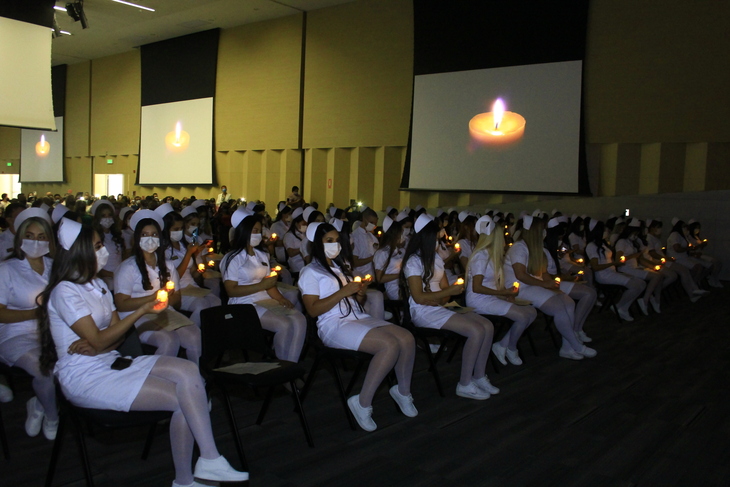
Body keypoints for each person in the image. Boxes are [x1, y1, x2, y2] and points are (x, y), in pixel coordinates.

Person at [38, 218, 248, 487]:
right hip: (85, 377)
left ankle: (207, 461)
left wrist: (101, 342)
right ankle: (189, 477)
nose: (103, 251)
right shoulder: (65, 291)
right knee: (186, 400)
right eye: (97, 246)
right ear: (80, 252)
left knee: (187, 371)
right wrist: (136, 314)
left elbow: (114, 337)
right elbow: (105, 338)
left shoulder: (98, 285)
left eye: (102, 244)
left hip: (110, 361)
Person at [299, 222, 416, 431]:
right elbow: (313, 310)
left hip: (356, 317)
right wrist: (344, 292)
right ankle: (362, 403)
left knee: (406, 337)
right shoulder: (310, 272)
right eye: (329, 241)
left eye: (337, 241)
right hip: (333, 325)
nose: (335, 245)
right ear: (317, 243)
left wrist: (360, 292)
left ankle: (403, 391)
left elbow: (356, 302)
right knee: (388, 346)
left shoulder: (339, 267)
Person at [402, 214, 498, 399]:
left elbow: (445, 288)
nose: (441, 240)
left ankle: (478, 375)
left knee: (487, 325)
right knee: (475, 331)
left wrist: (441, 298)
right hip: (424, 311)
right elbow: (419, 297)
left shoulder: (435, 258)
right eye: (438, 237)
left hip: (441, 304)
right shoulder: (413, 262)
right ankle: (464, 383)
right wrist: (442, 296)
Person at [114, 210, 202, 364]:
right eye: (145, 235)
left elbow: (177, 297)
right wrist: (154, 298)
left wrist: (165, 301)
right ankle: (158, 378)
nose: (150, 239)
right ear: (137, 238)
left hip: (165, 313)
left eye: (154, 235)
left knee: (194, 334)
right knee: (168, 340)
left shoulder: (167, 265)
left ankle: (195, 373)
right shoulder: (127, 267)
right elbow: (121, 304)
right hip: (137, 316)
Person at [0, 208, 58, 439]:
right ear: (20, 238)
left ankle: (39, 404)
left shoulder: (55, 267)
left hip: (51, 334)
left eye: (42, 237)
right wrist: (35, 313)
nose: (36, 242)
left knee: (70, 365)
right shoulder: (7, 269)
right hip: (15, 335)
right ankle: (53, 417)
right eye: (30, 236)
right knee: (44, 370)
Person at [221, 207, 306, 363]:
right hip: (243, 304)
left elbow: (270, 284)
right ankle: (281, 366)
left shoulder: (262, 255)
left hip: (265, 300)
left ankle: (290, 364)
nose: (258, 235)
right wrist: (262, 286)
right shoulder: (232, 258)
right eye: (254, 231)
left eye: (259, 231)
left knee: (300, 319)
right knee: (284, 325)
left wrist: (281, 299)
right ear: (244, 231)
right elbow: (231, 290)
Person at [505, 216, 596, 360]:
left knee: (568, 302)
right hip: (519, 288)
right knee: (559, 307)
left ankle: (567, 348)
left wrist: (552, 285)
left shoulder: (537, 248)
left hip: (533, 285)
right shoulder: (519, 248)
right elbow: (521, 275)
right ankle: (576, 345)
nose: (545, 233)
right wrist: (544, 284)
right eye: (542, 230)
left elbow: (544, 273)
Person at [465, 216, 537, 366]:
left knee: (531, 312)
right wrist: (503, 294)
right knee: (522, 316)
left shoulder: (492, 256)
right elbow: (476, 287)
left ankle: (503, 344)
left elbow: (493, 284)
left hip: (491, 296)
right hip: (479, 299)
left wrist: (506, 293)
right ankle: (509, 347)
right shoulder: (481, 256)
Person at [160, 206, 221, 328]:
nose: (179, 231)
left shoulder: (183, 246)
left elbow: (193, 272)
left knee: (216, 301)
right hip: (178, 290)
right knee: (201, 305)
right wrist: (188, 254)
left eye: (181, 228)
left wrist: (199, 271)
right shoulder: (163, 250)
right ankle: (193, 331)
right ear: (167, 230)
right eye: (175, 229)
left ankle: (210, 332)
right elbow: (175, 277)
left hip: (191, 286)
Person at [585, 218, 646, 322]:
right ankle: (620, 306)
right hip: (604, 276)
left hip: (611, 272)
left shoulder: (602, 244)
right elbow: (595, 267)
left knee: (642, 283)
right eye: (604, 230)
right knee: (634, 285)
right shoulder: (591, 246)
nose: (607, 232)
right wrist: (614, 263)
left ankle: (623, 307)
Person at [91, 199, 125, 291]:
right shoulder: (94, 237)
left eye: (109, 215)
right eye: (103, 216)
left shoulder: (117, 235)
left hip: (119, 279)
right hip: (104, 281)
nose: (107, 218)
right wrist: (111, 274)